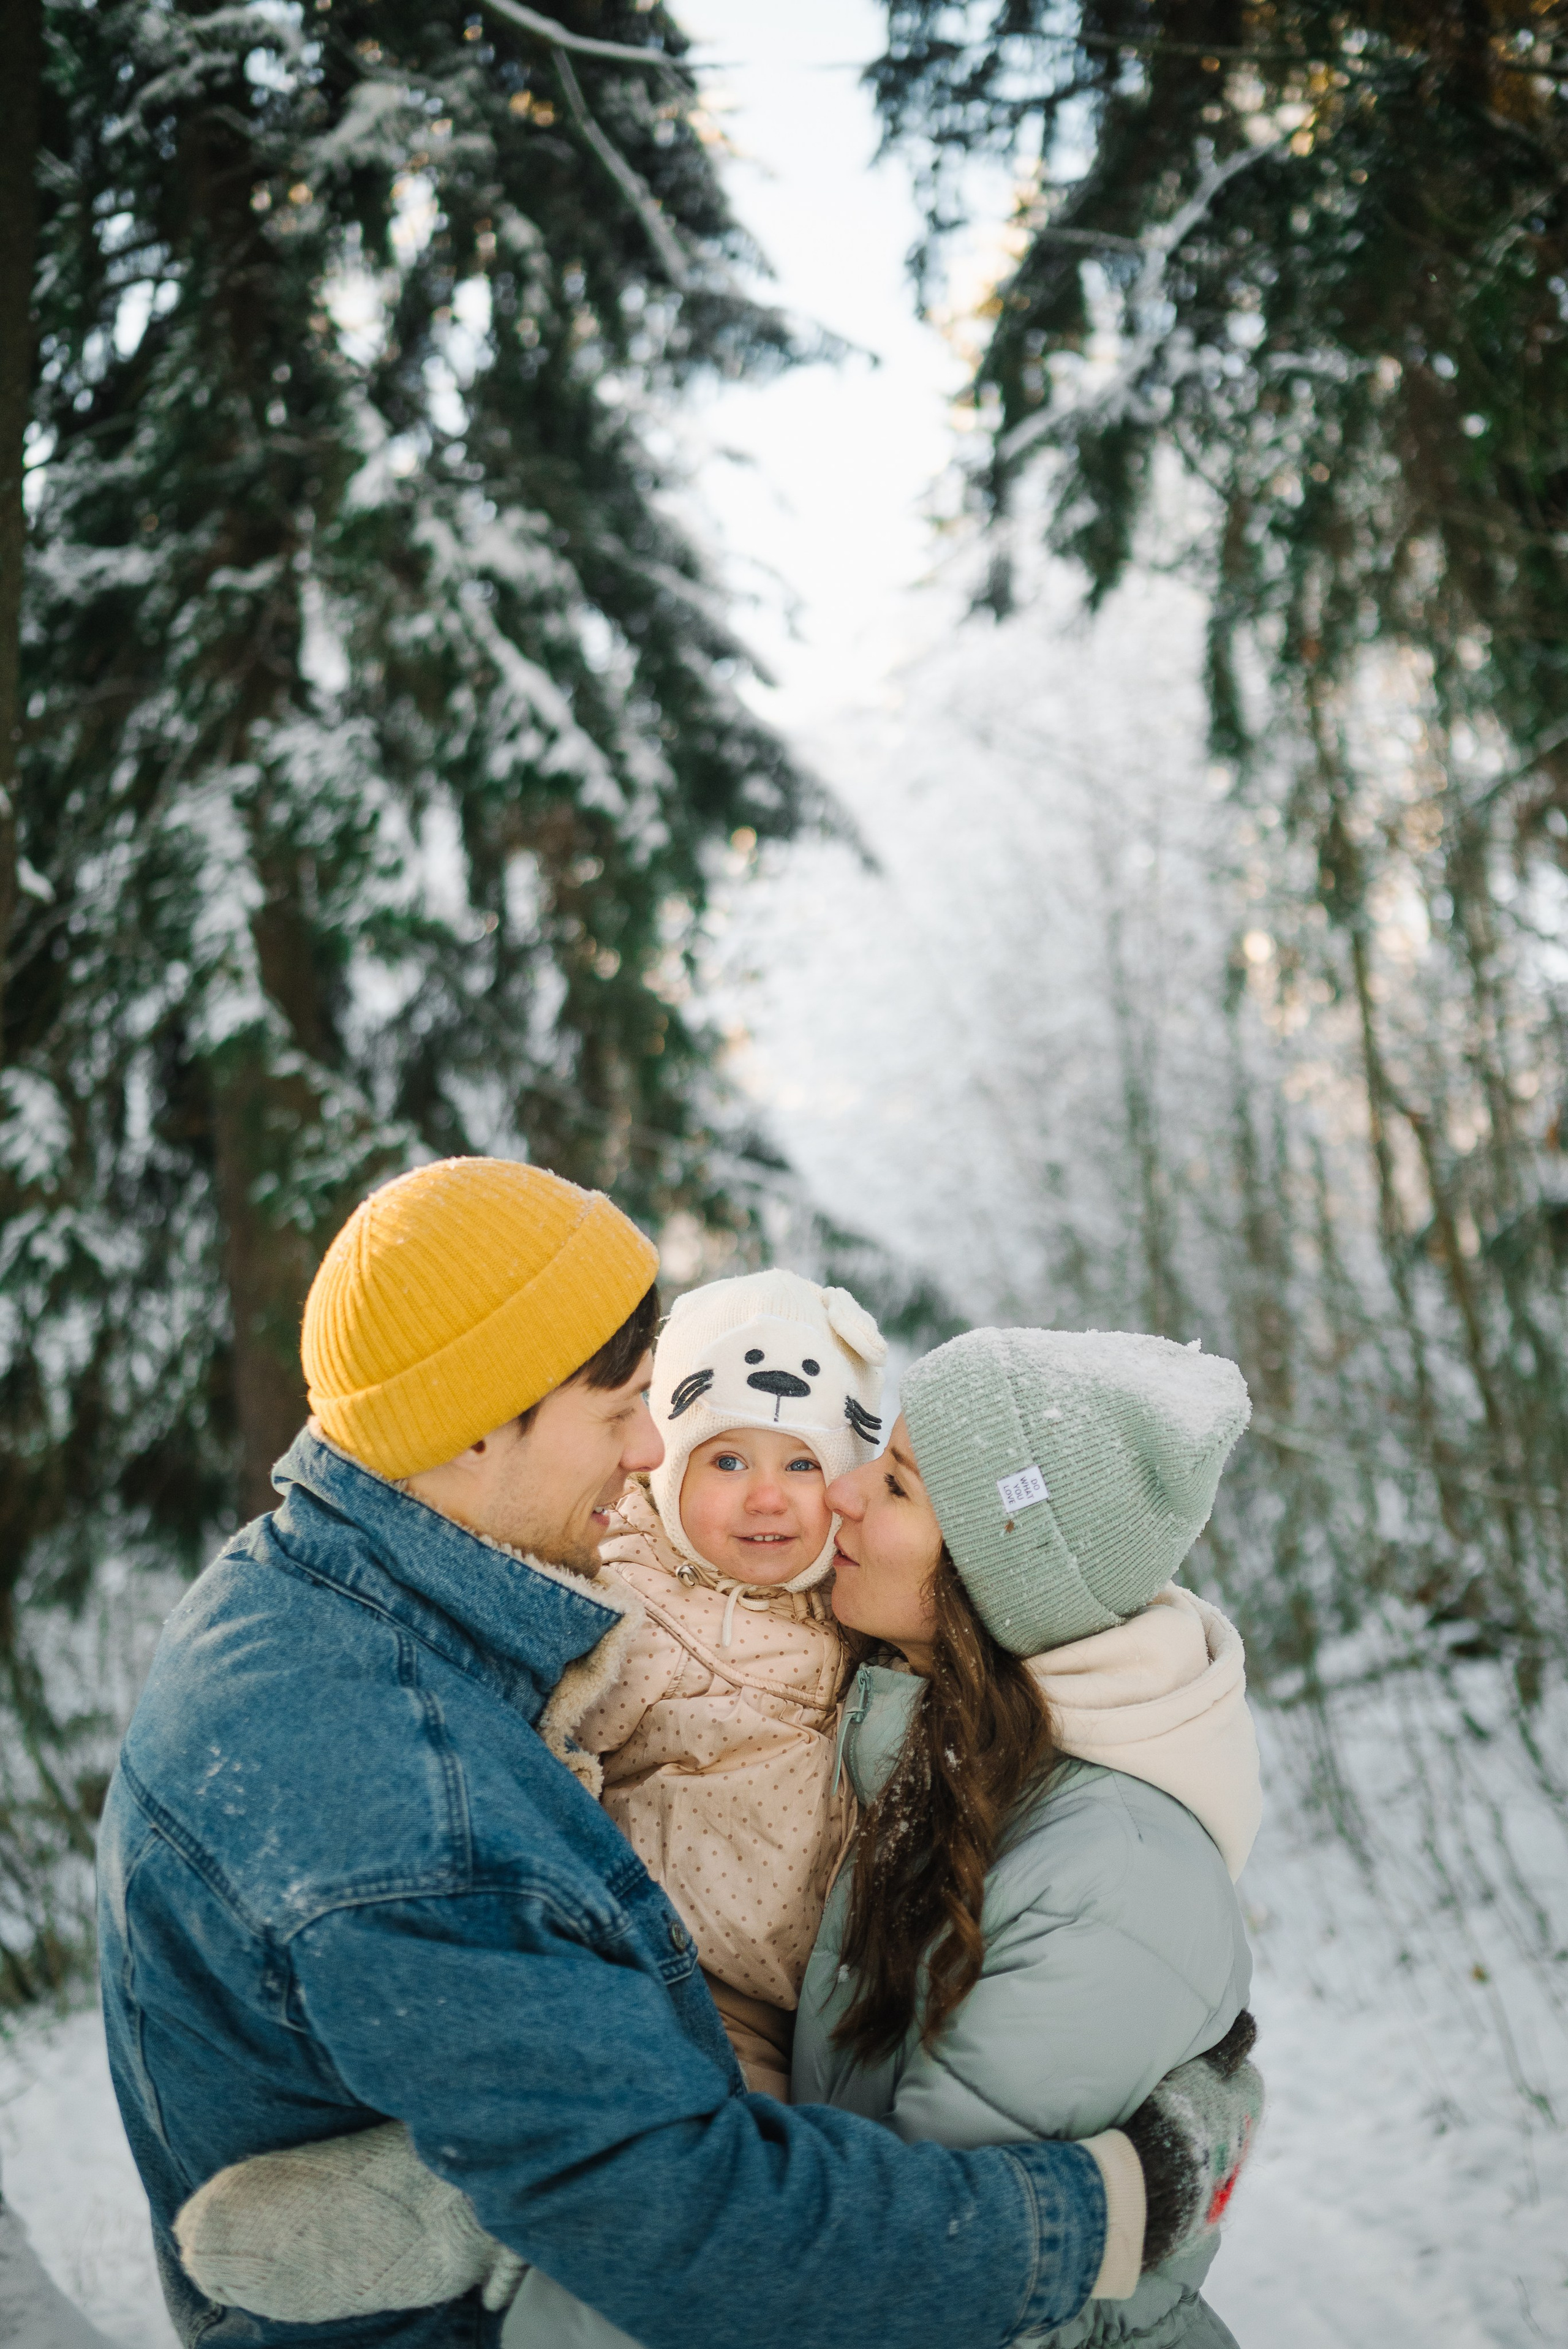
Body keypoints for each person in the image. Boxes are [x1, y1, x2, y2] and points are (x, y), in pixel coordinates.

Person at [97, 1158, 1257, 2349]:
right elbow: (703, 2232)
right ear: (477, 1422)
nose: (654, 1452)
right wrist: (1128, 2198)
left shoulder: (296, 1589)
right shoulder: (402, 1801)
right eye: (620, 1411)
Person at [795, 1325, 1263, 2349]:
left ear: (992, 1576)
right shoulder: (945, 1759)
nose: (843, 1490)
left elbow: (935, 2280)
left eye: (901, 1486)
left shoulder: (1111, 1876)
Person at [578, 1267, 887, 2097]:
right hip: (670, 1982)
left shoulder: (859, 1605)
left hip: (816, 2009)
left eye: (801, 1465)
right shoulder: (629, 1597)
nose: (766, 1499)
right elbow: (547, 1758)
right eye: (726, 1459)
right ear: (669, 1462)